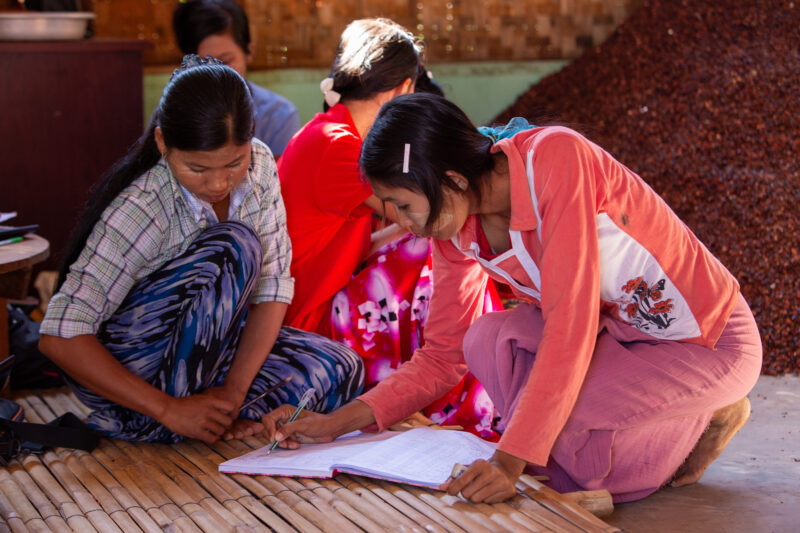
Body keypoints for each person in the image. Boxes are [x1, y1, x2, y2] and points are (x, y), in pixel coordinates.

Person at [261, 93, 763, 504]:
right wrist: (335, 425)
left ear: (452, 181)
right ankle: (638, 437)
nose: (398, 223)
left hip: (706, 342)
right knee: (485, 338)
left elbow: (570, 329)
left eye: (405, 205)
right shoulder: (454, 227)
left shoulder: (557, 158)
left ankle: (701, 420)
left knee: (560, 438)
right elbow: (441, 357)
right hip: (616, 338)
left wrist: (506, 461)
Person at [38, 56, 363, 444]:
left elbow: (272, 289)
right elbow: (59, 336)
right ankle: (156, 421)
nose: (217, 183)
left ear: (250, 141)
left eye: (232, 163)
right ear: (162, 142)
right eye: (197, 168)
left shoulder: (260, 165)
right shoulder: (142, 205)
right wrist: (167, 408)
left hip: (209, 355)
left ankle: (211, 414)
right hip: (134, 368)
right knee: (234, 247)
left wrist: (233, 394)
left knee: (341, 368)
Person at [277, 18, 502, 439]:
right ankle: (468, 410)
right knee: (442, 243)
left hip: (319, 303)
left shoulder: (325, 133)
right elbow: (423, 217)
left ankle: (462, 400)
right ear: (403, 88)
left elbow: (378, 238)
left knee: (433, 241)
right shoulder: (336, 146)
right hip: (313, 320)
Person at [172, 0, 300, 157]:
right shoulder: (172, 112)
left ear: (249, 52)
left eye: (226, 61)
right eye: (203, 64)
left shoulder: (278, 116)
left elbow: (277, 180)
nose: (216, 74)